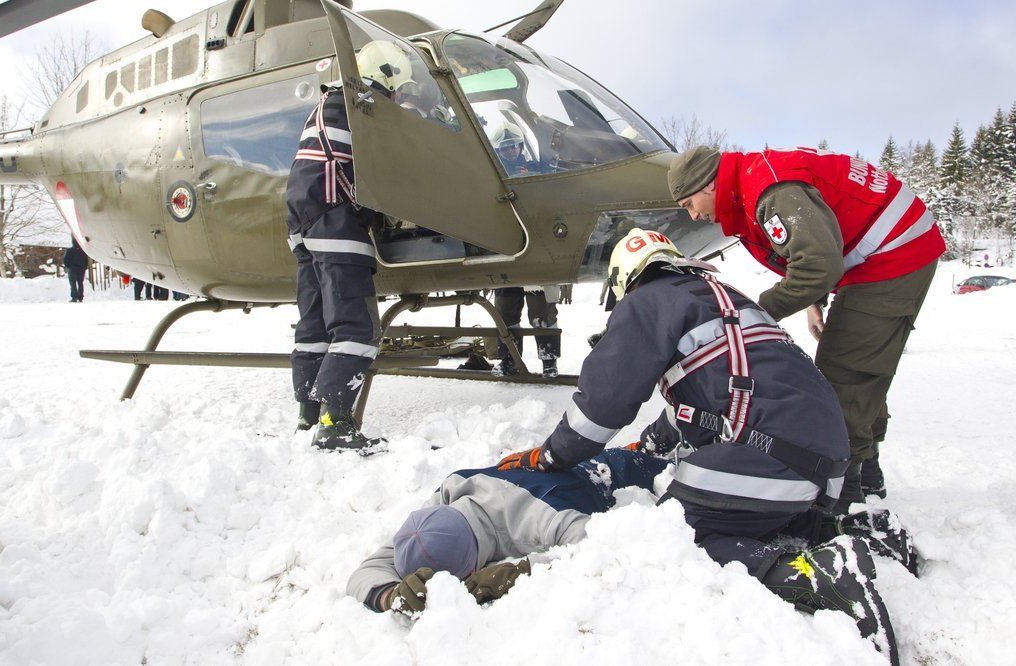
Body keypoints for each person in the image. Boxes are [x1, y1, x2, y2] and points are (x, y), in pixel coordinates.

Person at [496, 229, 909, 662]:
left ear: (623, 280)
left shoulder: (645, 302)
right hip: (821, 454)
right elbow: (716, 397)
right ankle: (857, 532)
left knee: (675, 534)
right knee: (743, 512)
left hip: (771, 450)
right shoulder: (722, 296)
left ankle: (816, 578)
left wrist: (551, 455)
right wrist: (650, 443)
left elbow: (603, 403)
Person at [667, 146, 944, 508]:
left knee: (844, 374)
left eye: (689, 203)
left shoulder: (771, 191)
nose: (693, 214)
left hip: (894, 252)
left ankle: (844, 499)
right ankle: (868, 476)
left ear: (708, 184)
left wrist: (756, 313)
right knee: (857, 363)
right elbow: (813, 249)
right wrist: (815, 302)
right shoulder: (753, 182)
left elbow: (817, 265)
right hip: (872, 257)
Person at [348, 448, 669, 613]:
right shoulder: (443, 502)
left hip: (604, 473)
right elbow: (365, 573)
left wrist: (521, 572)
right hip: (543, 467)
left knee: (665, 471)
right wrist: (390, 596)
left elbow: (596, 547)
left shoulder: (534, 518)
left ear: (470, 571)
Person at [286, 40, 415, 451]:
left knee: (315, 325)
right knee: (356, 326)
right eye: (397, 91)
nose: (397, 99)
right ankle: (335, 423)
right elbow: (391, 162)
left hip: (304, 223)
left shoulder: (326, 105)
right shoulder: (360, 107)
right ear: (385, 80)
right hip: (335, 221)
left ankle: (308, 416)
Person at [491, 286, 562, 378]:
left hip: (537, 279)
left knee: (542, 313)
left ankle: (549, 358)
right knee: (505, 313)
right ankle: (510, 357)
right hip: (506, 279)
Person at [62, 238, 88, 303]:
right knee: (80, 283)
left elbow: (65, 260)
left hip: (72, 268)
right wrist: (84, 267)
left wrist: (69, 266)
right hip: (81, 269)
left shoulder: (69, 250)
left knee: (73, 283)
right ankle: (80, 297)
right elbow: (86, 260)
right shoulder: (83, 251)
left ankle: (74, 297)